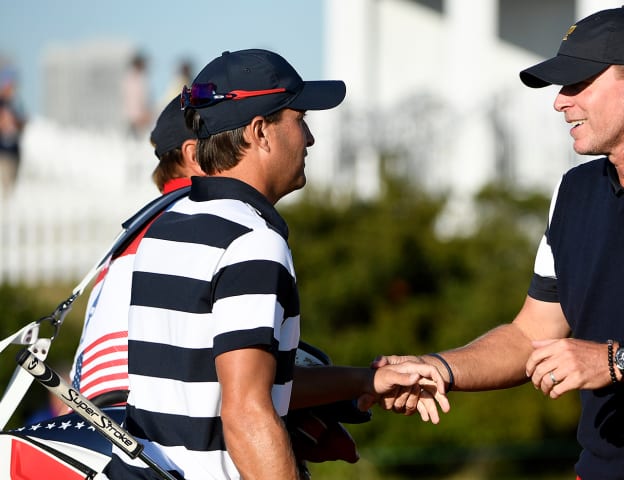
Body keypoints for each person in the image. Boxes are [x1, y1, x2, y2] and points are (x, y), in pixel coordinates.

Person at [377, 6, 624, 479]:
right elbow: (531, 333)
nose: (560, 101)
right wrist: (440, 368)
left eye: (578, 83)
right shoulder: (572, 193)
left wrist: (615, 360)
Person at [103, 49, 447, 480]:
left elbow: (230, 383)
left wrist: (366, 380)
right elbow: (248, 411)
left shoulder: (166, 227)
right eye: (300, 119)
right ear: (260, 132)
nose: (310, 138)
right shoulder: (252, 241)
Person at [70, 94, 203, 407]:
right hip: (148, 435)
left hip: (103, 426)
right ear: (194, 154)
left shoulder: (139, 229)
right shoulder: (201, 220)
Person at [0, 62, 25, 195]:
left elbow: (23, 124)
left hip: (14, 152)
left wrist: (16, 122)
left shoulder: (16, 103)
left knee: (12, 191)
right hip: (2, 153)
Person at [123, 52, 153, 137]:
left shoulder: (139, 78)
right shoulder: (134, 79)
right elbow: (139, 98)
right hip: (136, 116)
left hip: (137, 116)